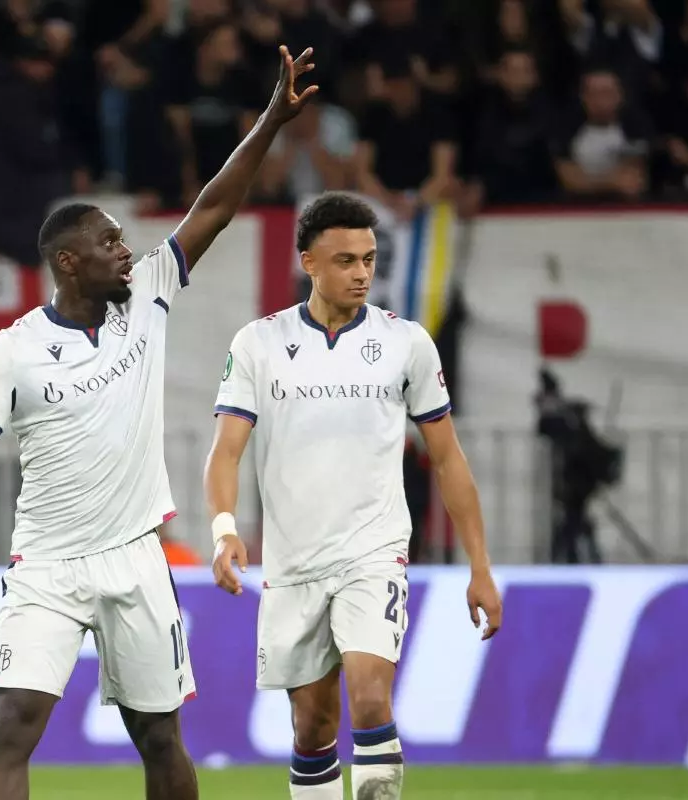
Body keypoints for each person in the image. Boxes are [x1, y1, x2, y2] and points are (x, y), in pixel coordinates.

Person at [0, 44, 320, 800]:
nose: (126, 251)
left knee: (159, 736)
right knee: (13, 722)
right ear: (68, 263)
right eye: (109, 242)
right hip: (47, 564)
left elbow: (213, 205)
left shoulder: (147, 294)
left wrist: (272, 120)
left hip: (136, 557)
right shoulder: (16, 350)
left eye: (123, 240)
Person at [203, 193, 503, 800]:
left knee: (370, 699)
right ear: (308, 261)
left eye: (368, 259)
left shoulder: (407, 343)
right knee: (313, 728)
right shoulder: (259, 344)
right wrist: (224, 528)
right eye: (345, 260)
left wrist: (480, 565)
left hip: (374, 551)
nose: (362, 272)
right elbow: (225, 451)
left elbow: (447, 458)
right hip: (293, 563)